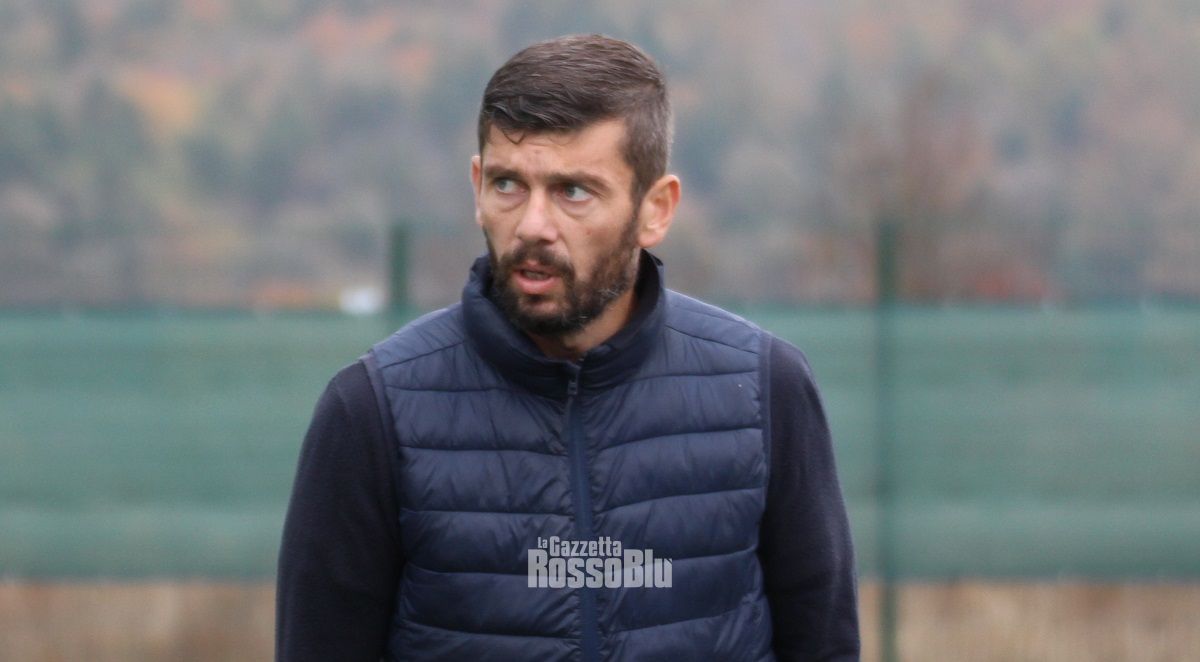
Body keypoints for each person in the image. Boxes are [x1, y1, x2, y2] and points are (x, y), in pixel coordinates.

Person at [276, 34, 859, 661]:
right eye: (507, 184)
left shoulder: (766, 391)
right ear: (476, 187)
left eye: (573, 192)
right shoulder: (372, 411)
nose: (533, 226)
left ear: (655, 209)